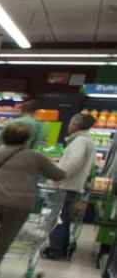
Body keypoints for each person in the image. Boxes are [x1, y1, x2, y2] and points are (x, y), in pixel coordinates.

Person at [0, 121, 67, 278]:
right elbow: (58, 175)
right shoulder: (35, 156)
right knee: (3, 241)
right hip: (19, 203)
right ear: (27, 139)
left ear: (3, 136)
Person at [47, 111, 98, 259]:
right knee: (65, 218)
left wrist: (58, 174)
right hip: (72, 185)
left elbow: (73, 162)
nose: (68, 125)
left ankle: (55, 250)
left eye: (70, 122)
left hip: (66, 186)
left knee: (58, 219)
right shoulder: (85, 140)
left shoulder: (80, 141)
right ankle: (61, 249)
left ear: (76, 124)